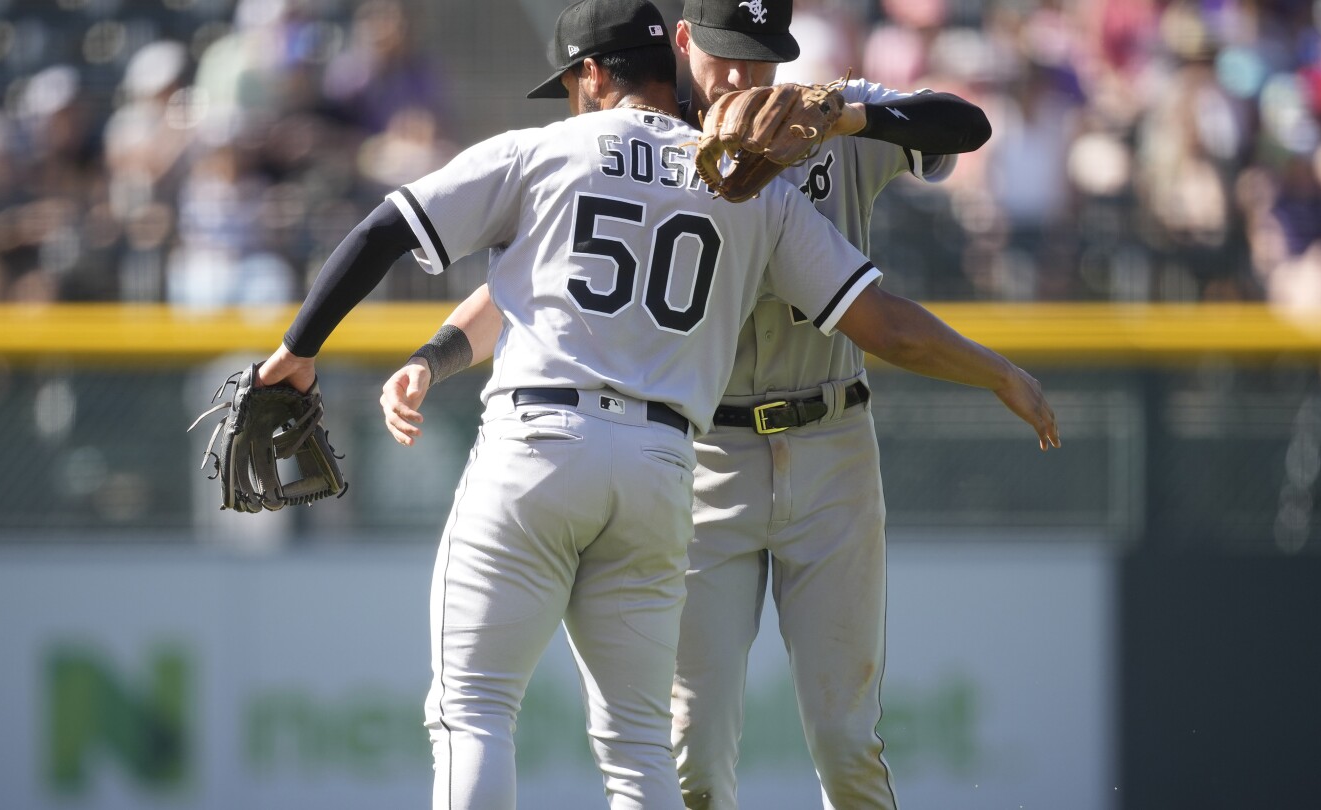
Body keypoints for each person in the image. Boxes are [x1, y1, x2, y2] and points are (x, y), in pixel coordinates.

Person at [382, 1, 999, 807]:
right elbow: (538, 286)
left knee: (847, 745)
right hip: (707, 456)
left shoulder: (825, 115)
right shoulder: (647, 137)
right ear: (683, 43)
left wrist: (844, 117)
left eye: (762, 55)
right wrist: (437, 355)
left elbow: (965, 124)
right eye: (724, 54)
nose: (743, 75)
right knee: (691, 758)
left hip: (830, 438)